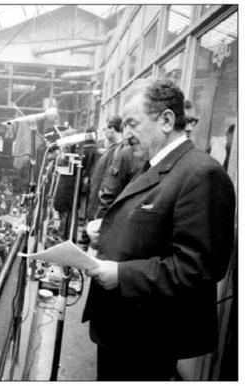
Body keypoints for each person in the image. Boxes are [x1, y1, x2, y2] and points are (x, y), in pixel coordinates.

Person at [83, 79, 235, 380]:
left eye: (132, 124)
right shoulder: (154, 165)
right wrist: (109, 229)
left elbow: (199, 266)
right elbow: (152, 225)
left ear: (166, 120)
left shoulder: (202, 174)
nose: (125, 135)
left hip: (148, 339)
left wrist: (122, 275)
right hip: (123, 330)